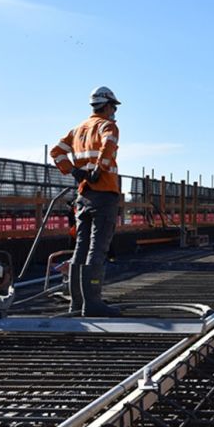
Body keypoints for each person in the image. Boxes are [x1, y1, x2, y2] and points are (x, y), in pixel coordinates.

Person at [50, 86, 123, 317]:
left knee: (81, 247)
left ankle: (77, 303)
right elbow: (108, 145)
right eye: (114, 107)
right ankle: (92, 303)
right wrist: (99, 170)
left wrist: (74, 172)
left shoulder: (78, 129)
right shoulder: (107, 126)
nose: (114, 111)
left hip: (84, 194)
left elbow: (56, 152)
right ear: (108, 105)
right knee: (97, 248)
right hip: (104, 192)